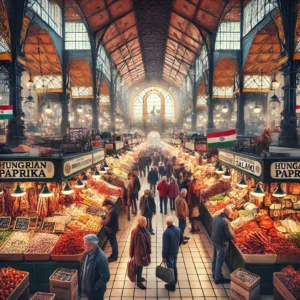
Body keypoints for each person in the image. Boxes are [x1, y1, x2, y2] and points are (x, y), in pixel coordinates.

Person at [81, 234, 110, 300]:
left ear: (92, 246)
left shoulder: (101, 258)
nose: (83, 246)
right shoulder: (87, 253)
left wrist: (94, 287)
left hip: (96, 292)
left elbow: (105, 277)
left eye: (86, 244)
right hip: (89, 290)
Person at [211, 207, 235, 284]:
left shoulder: (216, 217)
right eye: (231, 214)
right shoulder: (225, 221)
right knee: (219, 260)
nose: (231, 215)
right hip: (221, 242)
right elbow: (230, 235)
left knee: (215, 258)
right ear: (228, 213)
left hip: (214, 240)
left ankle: (214, 273)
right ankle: (218, 278)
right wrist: (234, 235)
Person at [129, 216, 151, 290]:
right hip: (140, 254)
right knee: (139, 267)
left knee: (139, 267)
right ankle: (139, 282)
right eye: (145, 221)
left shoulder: (142, 229)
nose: (146, 222)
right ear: (142, 223)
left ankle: (139, 277)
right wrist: (143, 255)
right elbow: (136, 245)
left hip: (140, 253)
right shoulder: (138, 232)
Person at [162, 216, 183, 292]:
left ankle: (172, 286)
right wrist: (177, 246)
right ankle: (175, 280)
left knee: (170, 269)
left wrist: (164, 256)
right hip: (175, 252)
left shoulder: (166, 233)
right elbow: (182, 239)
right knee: (174, 266)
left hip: (169, 254)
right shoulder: (178, 229)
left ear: (167, 223)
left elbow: (165, 247)